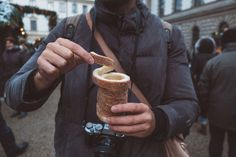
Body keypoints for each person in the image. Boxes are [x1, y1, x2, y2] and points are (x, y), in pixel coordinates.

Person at [5, 0, 198, 157]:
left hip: (145, 150)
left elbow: (188, 104)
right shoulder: (69, 29)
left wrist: (159, 120)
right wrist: (41, 77)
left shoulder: (169, 35)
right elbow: (12, 95)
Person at [198, 28, 236, 157]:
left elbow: (203, 90)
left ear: (223, 43)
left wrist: (205, 109)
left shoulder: (213, 63)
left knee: (216, 143)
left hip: (217, 112)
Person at [191, 37, 218, 135]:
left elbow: (191, 72)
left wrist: (194, 84)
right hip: (214, 84)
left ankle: (202, 123)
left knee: (201, 104)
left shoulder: (197, 57)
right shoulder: (215, 56)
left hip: (200, 84)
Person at [0, 37, 29, 119]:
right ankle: (17, 110)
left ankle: (24, 111)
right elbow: (3, 65)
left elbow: (25, 65)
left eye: (10, 43)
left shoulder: (20, 52)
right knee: (13, 96)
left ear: (13, 43)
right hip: (8, 77)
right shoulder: (4, 53)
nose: (8, 44)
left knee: (20, 95)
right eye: (7, 43)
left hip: (18, 77)